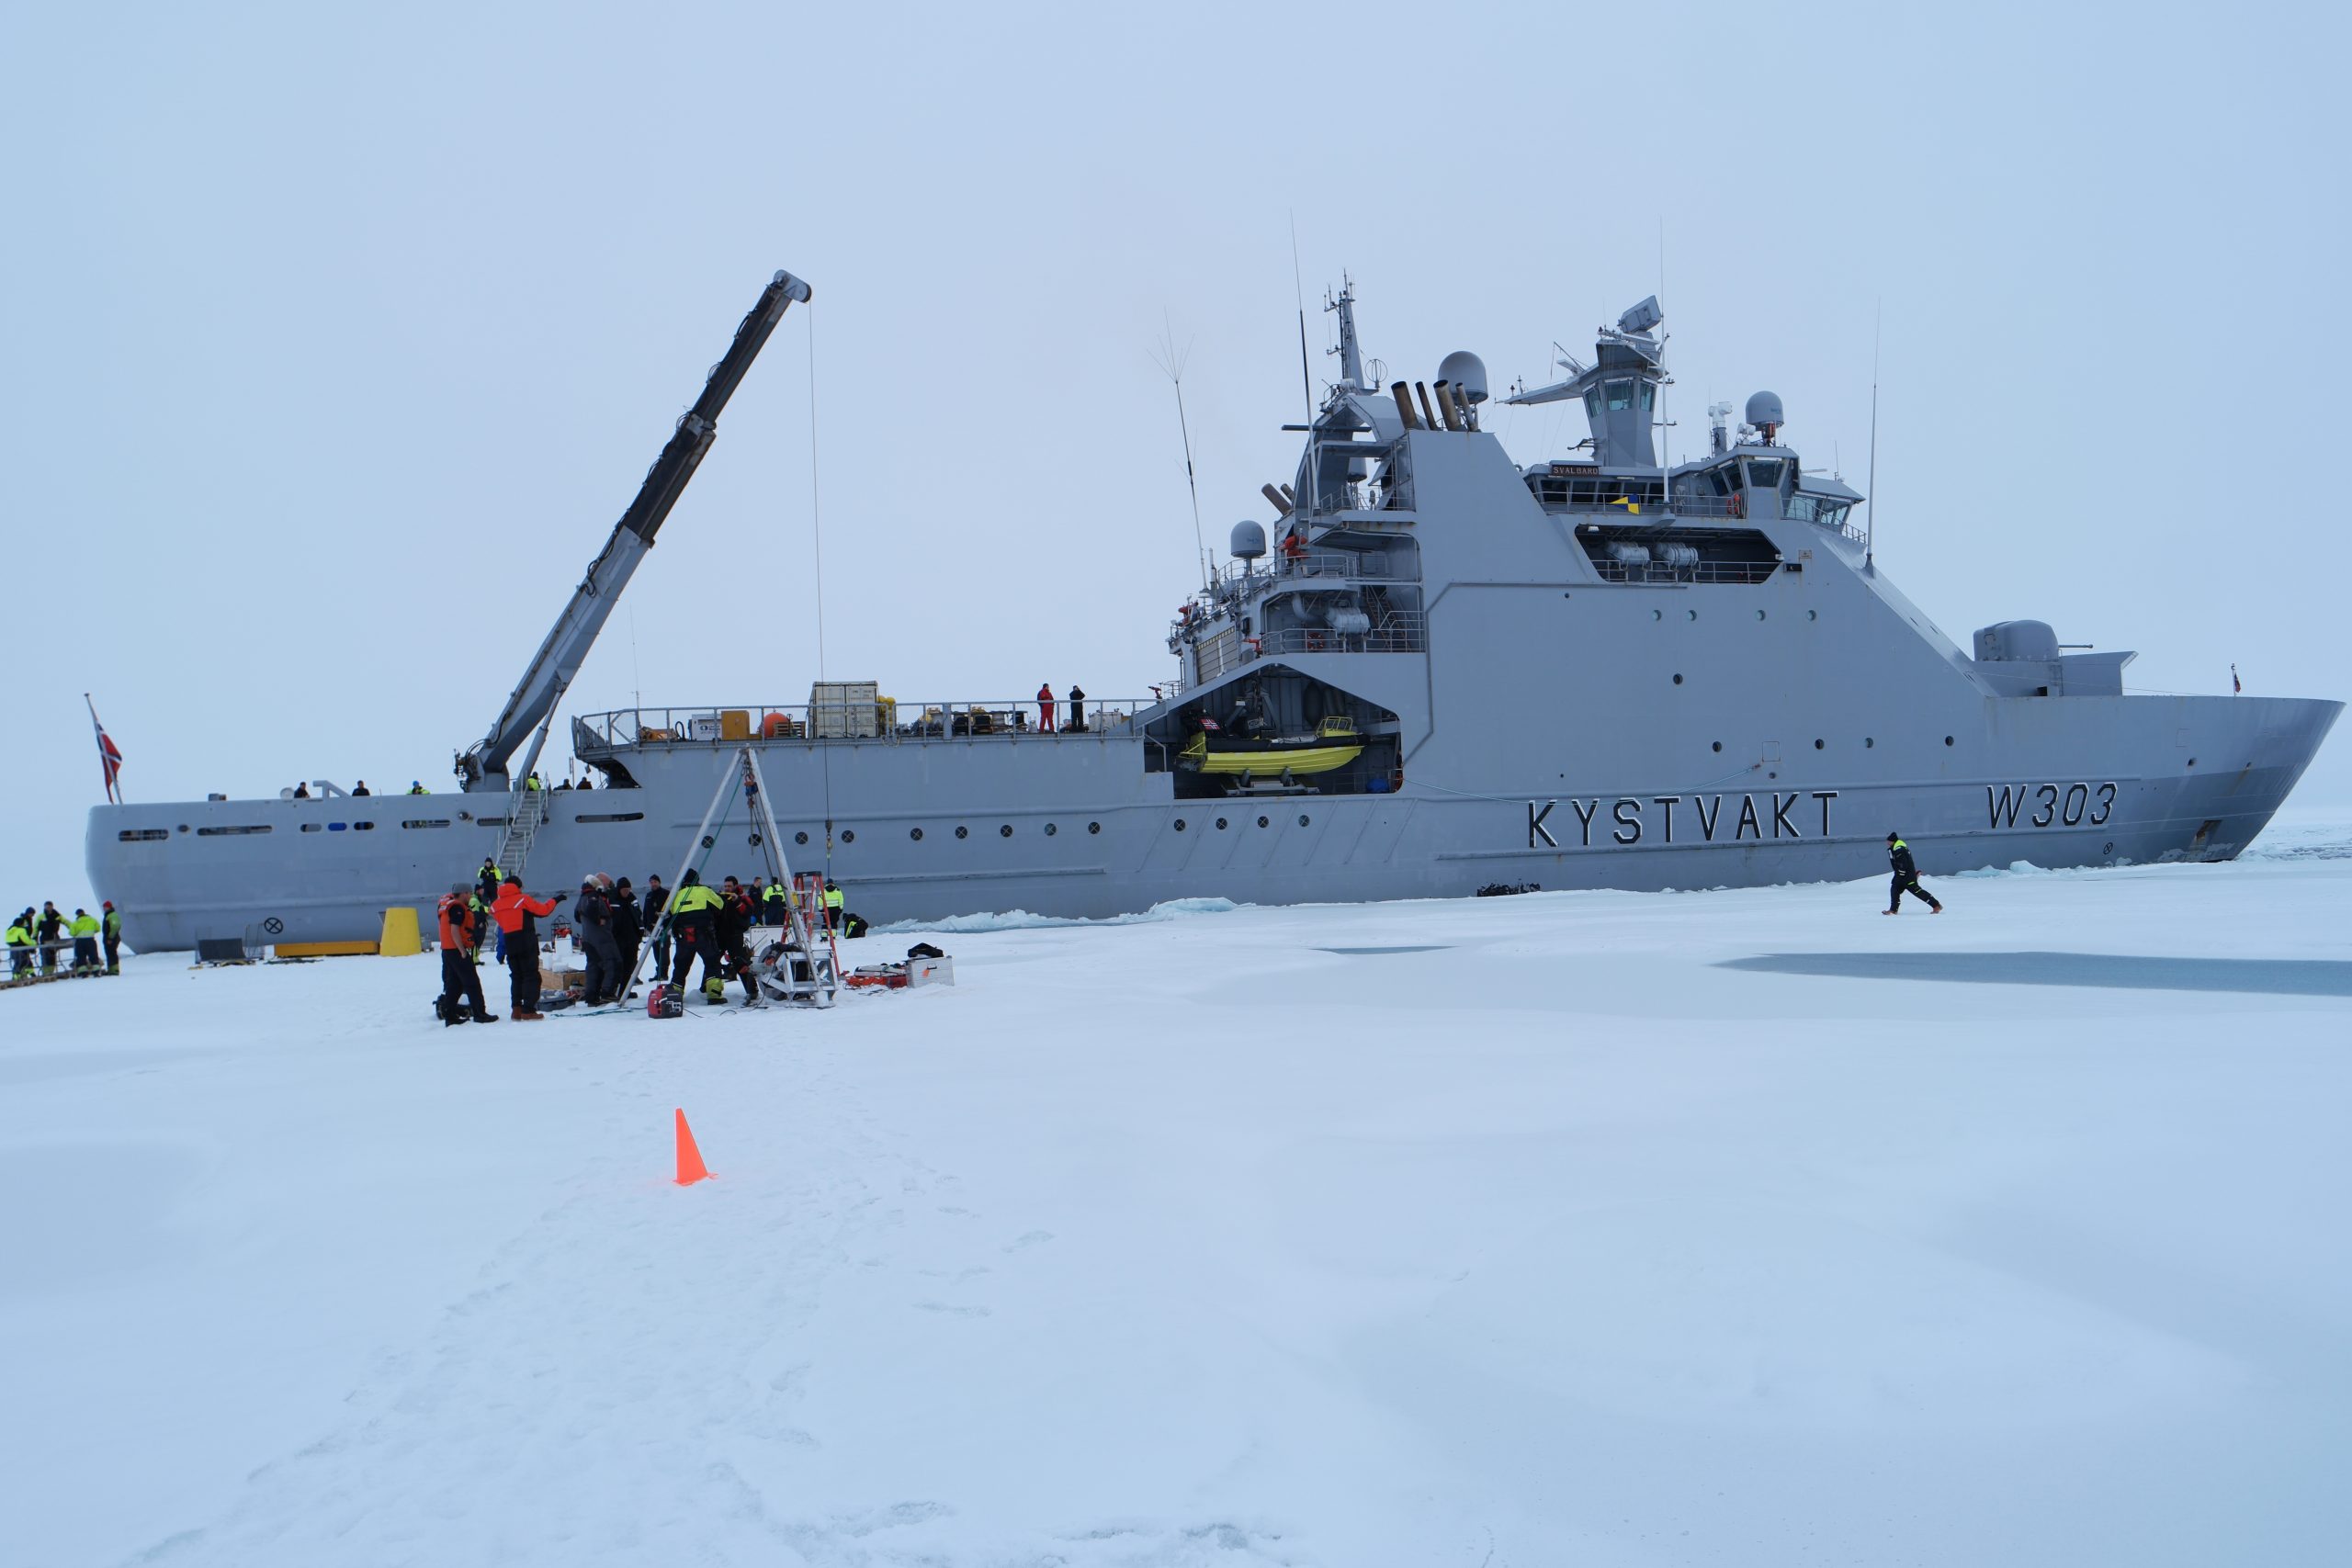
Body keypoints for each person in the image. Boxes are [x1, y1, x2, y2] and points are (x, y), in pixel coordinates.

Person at [492, 876, 563, 1019]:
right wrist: (555, 900)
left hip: (510, 943)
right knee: (531, 976)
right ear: (518, 886)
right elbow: (543, 911)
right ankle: (528, 1010)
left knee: (516, 976)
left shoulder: (496, 905)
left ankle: (516, 1009)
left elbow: (502, 922)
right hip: (526, 941)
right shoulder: (522, 899)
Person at [435, 881, 497, 1024]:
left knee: (455, 984)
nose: (470, 896)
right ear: (463, 893)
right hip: (456, 951)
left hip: (448, 950)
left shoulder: (449, 906)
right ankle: (480, 1014)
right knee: (472, 982)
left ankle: (450, 1016)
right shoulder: (457, 908)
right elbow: (454, 930)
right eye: (469, 893)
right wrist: (462, 951)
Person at [665, 870, 728, 1000]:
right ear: (697, 880)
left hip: (683, 937)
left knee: (681, 965)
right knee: (712, 962)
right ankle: (714, 995)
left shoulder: (676, 895)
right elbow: (720, 905)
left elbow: (668, 912)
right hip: (703, 934)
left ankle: (675, 994)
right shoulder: (704, 891)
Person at [575, 875, 620, 1006]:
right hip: (601, 938)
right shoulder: (593, 896)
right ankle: (608, 992)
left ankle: (591, 996)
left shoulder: (582, 897)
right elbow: (592, 909)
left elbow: (577, 916)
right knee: (613, 961)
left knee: (593, 966)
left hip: (588, 938)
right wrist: (597, 920)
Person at [1884, 831, 1943, 915]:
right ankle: (1893, 910)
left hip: (1906, 876)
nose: (1887, 842)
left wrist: (1901, 873)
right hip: (1902, 875)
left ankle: (1936, 905)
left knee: (1917, 892)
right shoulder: (1896, 848)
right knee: (1894, 890)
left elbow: (1903, 864)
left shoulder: (1899, 850)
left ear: (1892, 841)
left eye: (1888, 841)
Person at [611, 878, 643, 993]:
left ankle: (625, 991)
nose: (626, 892)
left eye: (628, 890)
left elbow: (638, 914)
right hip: (618, 939)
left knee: (630, 966)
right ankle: (614, 991)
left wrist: (640, 932)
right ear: (619, 889)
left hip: (632, 938)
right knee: (618, 966)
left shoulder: (632, 899)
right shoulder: (613, 899)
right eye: (624, 890)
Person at [643, 873, 672, 979]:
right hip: (652, 928)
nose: (653, 884)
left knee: (664, 950)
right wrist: (646, 925)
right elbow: (646, 911)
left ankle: (664, 973)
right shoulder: (649, 896)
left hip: (664, 928)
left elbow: (671, 910)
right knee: (656, 950)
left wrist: (667, 924)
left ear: (659, 882)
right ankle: (658, 971)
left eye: (655, 882)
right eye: (651, 882)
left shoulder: (666, 894)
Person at [37, 901, 67, 975]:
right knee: (45, 956)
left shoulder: (57, 915)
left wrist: (74, 930)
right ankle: (46, 972)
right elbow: (36, 928)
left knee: (52, 956)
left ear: (52, 907)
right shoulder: (41, 916)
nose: (48, 908)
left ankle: (51, 972)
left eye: (49, 907)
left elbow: (67, 922)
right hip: (44, 938)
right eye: (47, 907)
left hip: (54, 937)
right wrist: (35, 937)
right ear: (44, 907)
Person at [69, 908, 102, 975]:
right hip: (90, 940)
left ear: (77, 915)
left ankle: (83, 972)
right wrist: (92, 932)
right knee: (93, 955)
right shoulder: (92, 920)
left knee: (81, 957)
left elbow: (72, 933)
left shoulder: (75, 923)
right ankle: (96, 971)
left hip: (80, 941)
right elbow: (98, 928)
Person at [6, 910, 33, 978]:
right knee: (23, 961)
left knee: (18, 962)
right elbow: (26, 940)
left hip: (12, 948)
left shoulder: (10, 929)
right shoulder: (21, 930)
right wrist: (34, 943)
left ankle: (17, 975)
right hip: (21, 947)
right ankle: (19, 975)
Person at [101, 901, 122, 975]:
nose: (103, 909)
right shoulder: (109, 915)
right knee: (109, 953)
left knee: (112, 953)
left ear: (108, 907)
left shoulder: (112, 915)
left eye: (105, 907)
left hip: (111, 938)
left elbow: (115, 926)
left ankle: (114, 970)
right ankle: (111, 970)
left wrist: (110, 937)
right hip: (110, 937)